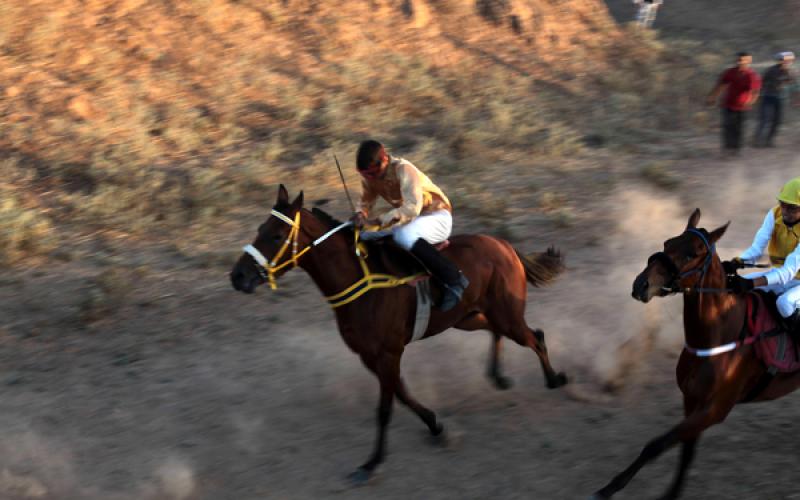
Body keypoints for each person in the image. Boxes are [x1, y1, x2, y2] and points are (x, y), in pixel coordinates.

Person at [352, 140, 469, 311]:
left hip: (437, 216)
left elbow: (412, 208)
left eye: (371, 174)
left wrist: (378, 221)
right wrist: (360, 214)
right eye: (364, 175)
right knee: (365, 236)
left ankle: (454, 279)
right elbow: (366, 199)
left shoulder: (404, 169)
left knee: (402, 235)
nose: (368, 179)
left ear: (384, 159)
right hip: (413, 222)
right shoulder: (372, 176)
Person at [725, 177, 800, 329]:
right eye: (783, 204)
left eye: (792, 207)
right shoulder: (774, 214)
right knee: (732, 288)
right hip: (780, 275)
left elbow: (787, 272)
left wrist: (752, 283)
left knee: (784, 303)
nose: (785, 211)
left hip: (794, 279)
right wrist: (735, 263)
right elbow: (756, 250)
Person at [707, 52, 762, 156]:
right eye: (739, 60)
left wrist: (750, 102)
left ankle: (736, 149)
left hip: (742, 107)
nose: (740, 62)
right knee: (727, 126)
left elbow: (755, 92)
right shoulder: (729, 72)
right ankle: (727, 149)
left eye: (743, 60)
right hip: (728, 104)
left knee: (738, 128)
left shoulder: (752, 76)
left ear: (749, 61)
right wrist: (712, 97)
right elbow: (720, 86)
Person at [753, 51, 797, 148]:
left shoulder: (791, 72)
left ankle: (769, 141)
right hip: (768, 97)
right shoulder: (771, 70)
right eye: (786, 61)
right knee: (765, 120)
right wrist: (757, 95)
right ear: (780, 61)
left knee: (777, 121)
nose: (788, 62)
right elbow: (761, 82)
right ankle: (757, 141)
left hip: (780, 99)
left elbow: (793, 84)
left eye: (790, 61)